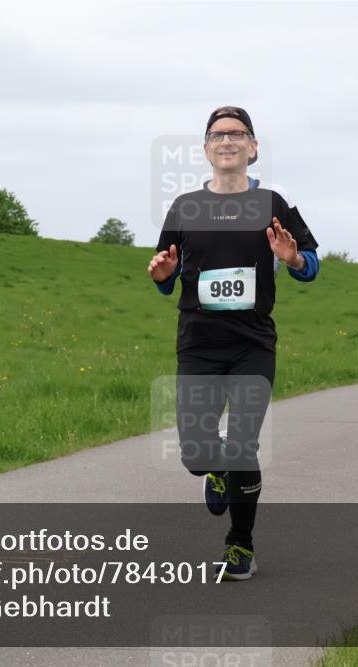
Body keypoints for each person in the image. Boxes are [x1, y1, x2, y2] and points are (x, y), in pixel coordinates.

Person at [148, 106, 319, 581]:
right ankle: (216, 468)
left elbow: (310, 264)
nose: (227, 140)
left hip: (252, 346)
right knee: (196, 456)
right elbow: (166, 271)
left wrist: (295, 259)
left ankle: (240, 544)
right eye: (218, 134)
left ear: (253, 147)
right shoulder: (184, 206)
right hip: (198, 344)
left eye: (237, 133)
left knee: (243, 447)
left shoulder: (273, 203)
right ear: (205, 150)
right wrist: (162, 278)